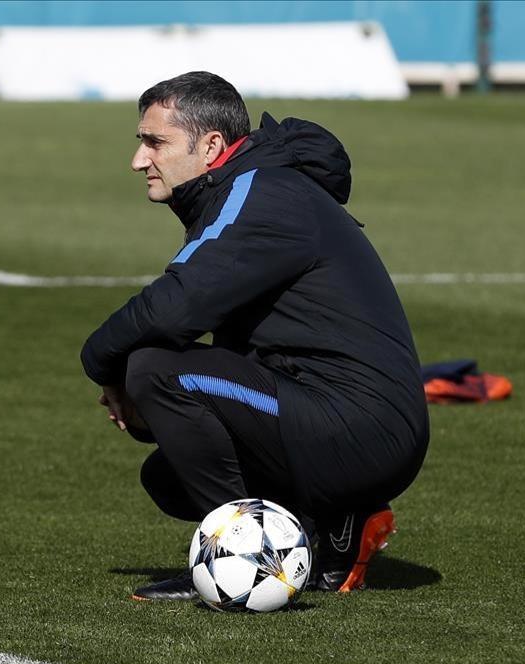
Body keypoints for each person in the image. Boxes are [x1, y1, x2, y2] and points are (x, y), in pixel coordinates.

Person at [80, 72, 430, 599]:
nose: (139, 159)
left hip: (360, 426)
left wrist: (100, 363)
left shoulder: (260, 191)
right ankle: (334, 528)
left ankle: (245, 558)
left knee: (154, 370)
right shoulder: (251, 185)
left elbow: (176, 307)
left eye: (155, 142)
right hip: (341, 419)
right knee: (168, 475)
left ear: (211, 145)